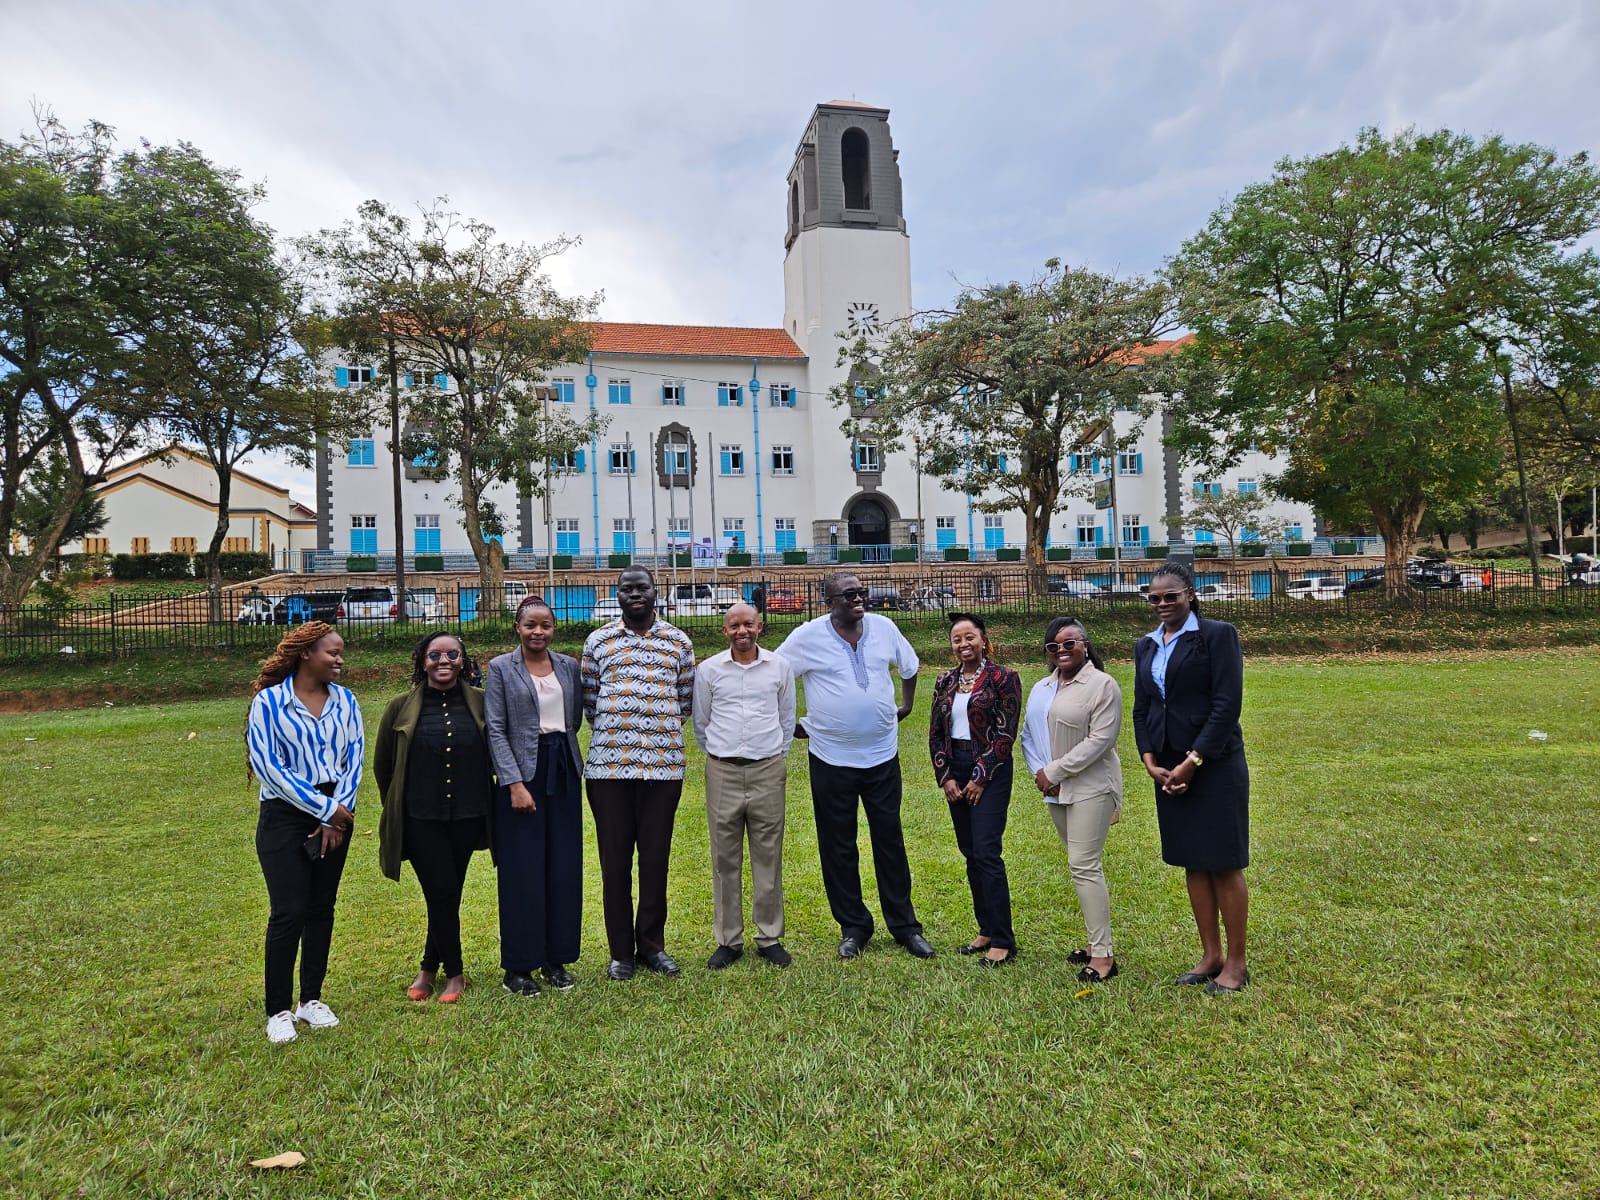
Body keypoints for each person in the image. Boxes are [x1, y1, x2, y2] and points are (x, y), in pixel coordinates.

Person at [775, 572, 934, 960]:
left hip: (882, 755)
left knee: (889, 840)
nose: (859, 599)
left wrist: (908, 705)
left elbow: (909, 667)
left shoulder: (884, 628)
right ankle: (854, 926)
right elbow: (775, 676)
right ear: (828, 602)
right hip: (831, 758)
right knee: (838, 843)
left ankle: (905, 926)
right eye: (849, 595)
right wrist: (791, 723)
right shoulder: (807, 636)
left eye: (861, 592)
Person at [1132, 560, 1251, 994]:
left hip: (1213, 765)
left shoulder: (1217, 636)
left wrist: (1194, 759)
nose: (1162, 604)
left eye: (1171, 596)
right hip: (1167, 769)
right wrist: (1148, 758)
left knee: (1224, 862)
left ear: (1190, 595)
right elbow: (1143, 707)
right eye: (1155, 599)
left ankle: (1235, 963)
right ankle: (1210, 955)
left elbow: (1226, 705)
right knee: (1193, 862)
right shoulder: (1145, 646)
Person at [245, 621, 363, 1044]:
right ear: (306, 653)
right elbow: (268, 767)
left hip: (339, 814)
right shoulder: (269, 703)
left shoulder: (347, 701)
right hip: (285, 815)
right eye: (332, 652)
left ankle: (310, 999)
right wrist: (326, 810)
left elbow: (354, 761)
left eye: (341, 652)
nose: (339, 659)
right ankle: (278, 1009)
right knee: (288, 910)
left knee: (321, 907)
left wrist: (338, 815)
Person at [581, 566, 696, 981]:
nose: (635, 594)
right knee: (615, 863)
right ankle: (620, 953)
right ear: (618, 594)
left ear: (655, 592)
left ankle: (652, 946)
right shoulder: (599, 641)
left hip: (663, 768)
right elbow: (591, 702)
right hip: (609, 770)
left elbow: (683, 700)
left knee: (655, 859)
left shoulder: (678, 641)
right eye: (626, 588)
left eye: (641, 587)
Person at [373, 631, 491, 1004]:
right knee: (439, 891)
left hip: (469, 814)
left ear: (463, 660)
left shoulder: (483, 703)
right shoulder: (399, 707)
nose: (444, 661)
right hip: (421, 817)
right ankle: (453, 972)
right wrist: (398, 808)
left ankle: (427, 967)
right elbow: (384, 767)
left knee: (447, 894)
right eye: (435, 655)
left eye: (453, 654)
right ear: (422, 661)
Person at [485, 597, 586, 994]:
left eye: (545, 625)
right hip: (522, 774)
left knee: (562, 867)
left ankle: (555, 960)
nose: (538, 632)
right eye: (530, 625)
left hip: (562, 769)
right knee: (523, 871)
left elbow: (573, 718)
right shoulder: (500, 668)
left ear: (554, 627)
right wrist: (513, 783)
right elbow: (495, 728)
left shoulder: (567, 666)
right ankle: (519, 967)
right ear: (517, 627)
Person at [692, 602, 797, 970]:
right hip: (723, 771)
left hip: (768, 769)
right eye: (734, 626)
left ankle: (768, 936)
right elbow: (701, 723)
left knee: (768, 853)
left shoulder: (780, 668)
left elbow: (787, 719)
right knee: (725, 857)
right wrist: (725, 755)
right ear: (725, 631)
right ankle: (729, 939)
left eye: (748, 624)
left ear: (760, 627)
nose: (742, 631)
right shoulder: (708, 671)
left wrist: (771, 755)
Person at [1020, 617, 1124, 984]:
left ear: (1085, 644)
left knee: (1084, 866)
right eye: (1054, 646)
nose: (1062, 650)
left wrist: (1055, 771)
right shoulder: (1042, 687)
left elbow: (1101, 741)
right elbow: (1028, 735)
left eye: (1070, 643)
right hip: (1054, 790)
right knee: (1079, 866)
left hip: (1092, 788)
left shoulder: (1102, 685)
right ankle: (1095, 941)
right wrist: (1040, 773)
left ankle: (1103, 955)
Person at [928, 612, 1022, 967]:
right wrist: (946, 778)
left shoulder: (1003, 678)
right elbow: (936, 732)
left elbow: (1005, 733)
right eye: (957, 639)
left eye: (970, 637)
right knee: (969, 852)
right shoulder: (945, 681)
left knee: (986, 851)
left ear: (983, 640)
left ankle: (1003, 938)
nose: (963, 644)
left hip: (991, 771)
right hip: (956, 767)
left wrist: (980, 778)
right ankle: (985, 929)